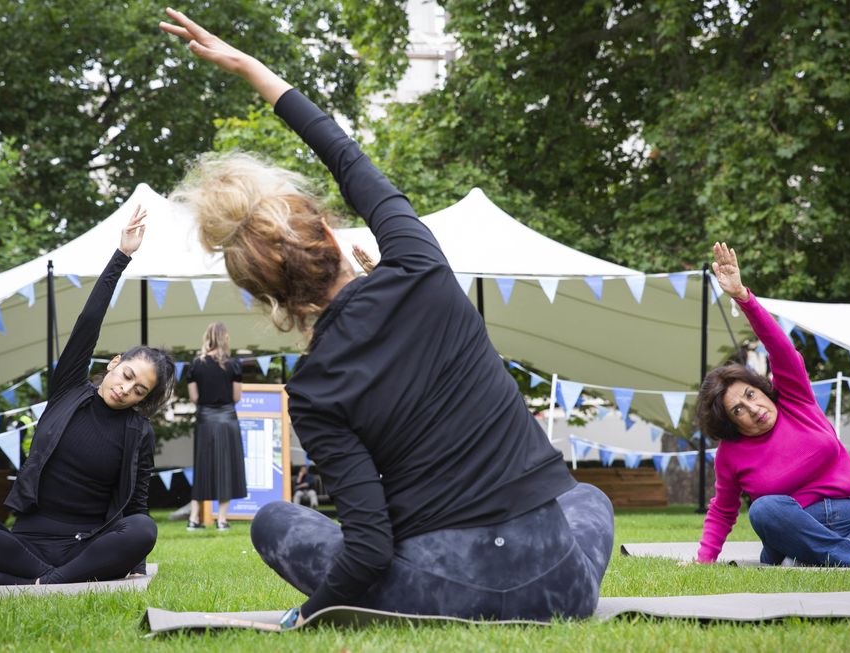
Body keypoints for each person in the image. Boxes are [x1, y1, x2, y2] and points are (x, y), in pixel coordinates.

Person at [161, 8, 614, 627]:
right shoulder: (420, 264)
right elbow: (346, 157)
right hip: (561, 586)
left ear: (269, 300)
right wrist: (249, 67)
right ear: (327, 230)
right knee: (587, 498)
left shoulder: (316, 389)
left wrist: (310, 613)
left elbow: (369, 549)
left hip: (439, 593)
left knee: (272, 520)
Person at [0, 206, 176, 585]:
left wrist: (135, 560)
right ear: (116, 362)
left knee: (143, 529)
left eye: (139, 390)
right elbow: (88, 324)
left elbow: (136, 504)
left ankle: (31, 582)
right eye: (127, 375)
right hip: (28, 540)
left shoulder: (138, 431)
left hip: (88, 544)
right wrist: (122, 257)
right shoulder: (69, 389)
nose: (125, 389)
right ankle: (58, 580)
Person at [694, 242, 850, 567]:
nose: (752, 409)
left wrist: (743, 297)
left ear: (761, 389)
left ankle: (835, 556)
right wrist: (703, 559)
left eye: (750, 395)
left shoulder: (796, 399)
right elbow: (723, 510)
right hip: (790, 531)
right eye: (737, 410)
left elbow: (779, 347)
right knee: (764, 509)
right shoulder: (730, 454)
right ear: (731, 424)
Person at [185, 322, 247, 530]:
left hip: (204, 420)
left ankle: (194, 519)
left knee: (202, 467)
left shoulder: (195, 364)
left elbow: (194, 398)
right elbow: (237, 397)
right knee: (226, 468)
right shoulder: (234, 365)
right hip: (228, 419)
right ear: (225, 338)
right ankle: (222, 520)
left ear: (207, 338)